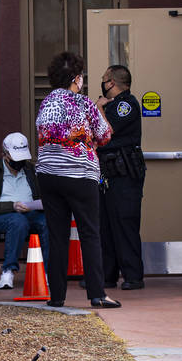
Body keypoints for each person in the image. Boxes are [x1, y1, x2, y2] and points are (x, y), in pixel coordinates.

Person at [35, 51, 120, 309]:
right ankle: (97, 293)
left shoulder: (46, 102)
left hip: (48, 175)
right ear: (76, 78)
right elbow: (105, 135)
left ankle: (57, 296)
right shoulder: (84, 104)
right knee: (90, 233)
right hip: (80, 175)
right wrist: (101, 109)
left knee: (57, 234)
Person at [96, 65, 146, 290]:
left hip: (125, 173)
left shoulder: (126, 104)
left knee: (124, 222)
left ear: (112, 83)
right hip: (107, 173)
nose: (103, 83)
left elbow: (107, 131)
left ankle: (133, 276)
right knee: (105, 225)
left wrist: (99, 109)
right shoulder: (112, 105)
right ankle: (107, 275)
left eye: (105, 80)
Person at [0, 132, 47, 290]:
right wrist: (12, 206)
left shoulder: (30, 170)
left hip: (29, 212)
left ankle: (47, 272)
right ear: (5, 155)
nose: (19, 162)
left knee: (46, 221)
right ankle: (8, 271)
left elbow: (42, 195)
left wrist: (36, 204)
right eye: (16, 158)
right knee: (17, 221)